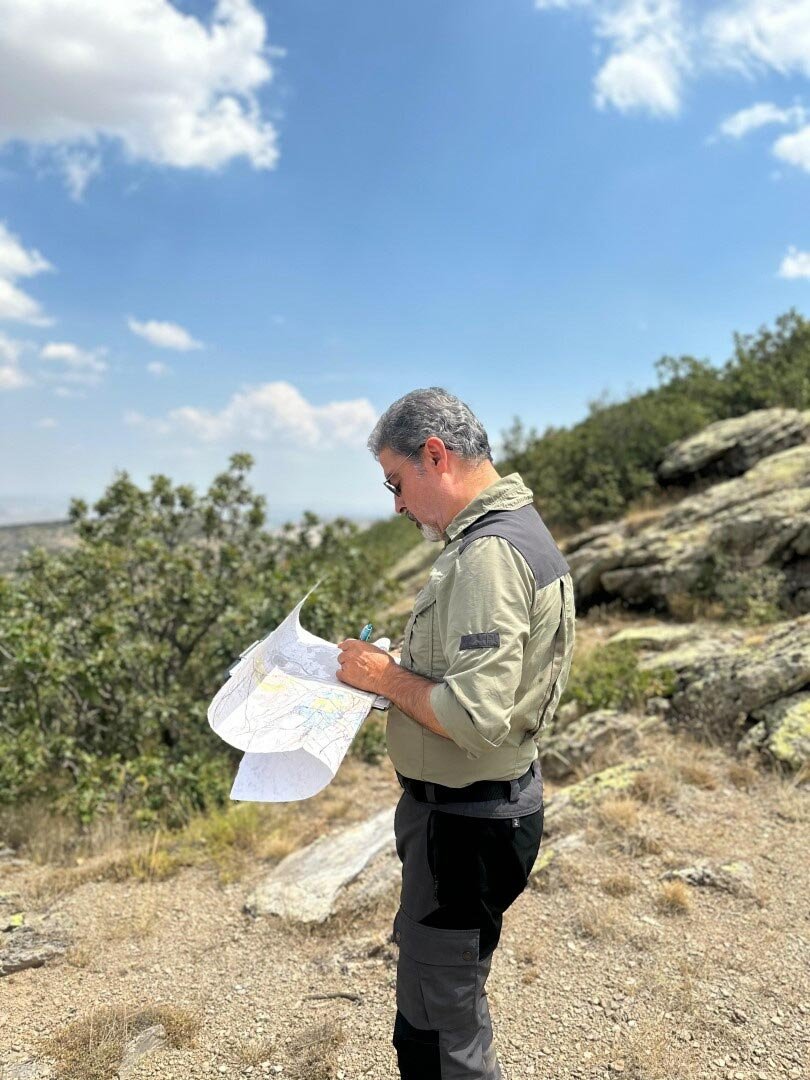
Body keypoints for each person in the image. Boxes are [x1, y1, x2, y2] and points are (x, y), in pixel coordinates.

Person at [337, 387, 575, 1080]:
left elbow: (473, 715)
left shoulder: (488, 556)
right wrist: (396, 673)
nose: (398, 506)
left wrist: (386, 678)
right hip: (471, 816)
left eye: (397, 482)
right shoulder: (507, 534)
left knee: (442, 1032)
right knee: (443, 1000)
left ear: (434, 455)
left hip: (465, 825)